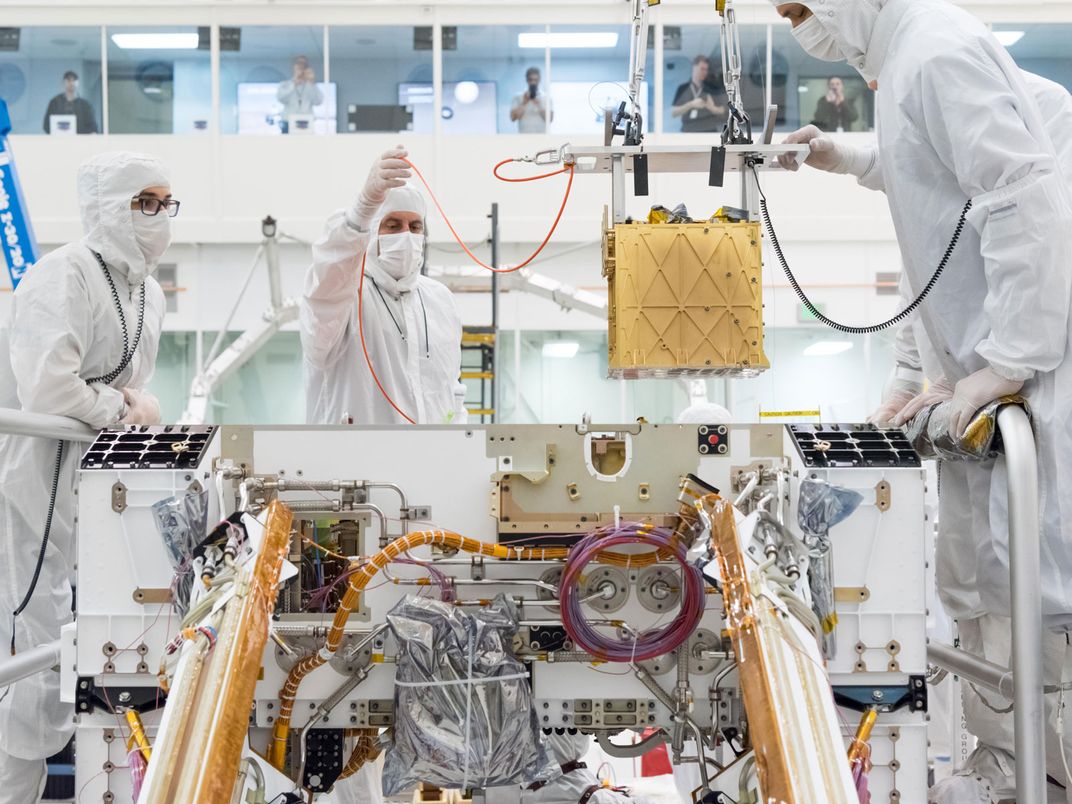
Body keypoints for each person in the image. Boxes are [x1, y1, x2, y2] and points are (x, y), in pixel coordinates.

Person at [771, 1, 1072, 801]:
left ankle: (1035, 773)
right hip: (992, 395)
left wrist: (1005, 364)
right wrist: (850, 157)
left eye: (802, 10)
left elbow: (1016, 194)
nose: (804, 29)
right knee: (992, 603)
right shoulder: (908, 61)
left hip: (1031, 396)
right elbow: (936, 229)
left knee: (1032, 610)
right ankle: (1011, 765)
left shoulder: (936, 53)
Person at [0, 151, 171, 802]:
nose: (158, 217)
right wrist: (125, 412)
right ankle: (16, 788)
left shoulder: (146, 291)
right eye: (144, 203)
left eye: (165, 203)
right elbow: (49, 388)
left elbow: (131, 385)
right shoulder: (62, 275)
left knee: (100, 629)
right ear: (108, 207)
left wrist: (133, 410)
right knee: (29, 630)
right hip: (39, 481)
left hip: (103, 477)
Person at [301, 146, 467, 426]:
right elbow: (327, 282)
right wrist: (363, 208)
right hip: (351, 465)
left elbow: (451, 392)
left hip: (431, 463)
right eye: (392, 225)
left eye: (415, 227)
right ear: (372, 229)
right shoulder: (346, 295)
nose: (406, 235)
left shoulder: (439, 299)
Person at [671, 55, 727, 133]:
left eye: (706, 70)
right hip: (688, 132)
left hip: (708, 132)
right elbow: (674, 113)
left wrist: (713, 108)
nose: (705, 72)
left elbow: (724, 112)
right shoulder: (683, 89)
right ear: (694, 68)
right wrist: (691, 104)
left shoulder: (712, 89)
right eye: (702, 69)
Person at [277, 55, 324, 134]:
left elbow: (319, 101)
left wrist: (312, 83)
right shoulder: (285, 84)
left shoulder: (311, 86)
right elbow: (280, 98)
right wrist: (294, 84)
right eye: (299, 63)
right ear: (294, 67)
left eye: (304, 65)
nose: (301, 66)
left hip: (306, 125)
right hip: (288, 124)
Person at [41, 70, 98, 134]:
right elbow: (46, 125)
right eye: (68, 80)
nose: (71, 83)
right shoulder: (55, 102)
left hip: (79, 142)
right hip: (59, 142)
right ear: (63, 82)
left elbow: (93, 127)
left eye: (74, 80)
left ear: (78, 83)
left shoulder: (85, 105)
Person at [510, 68, 552, 134]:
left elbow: (550, 119)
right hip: (524, 137)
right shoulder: (518, 97)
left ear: (539, 80)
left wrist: (539, 105)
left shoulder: (546, 98)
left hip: (542, 138)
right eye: (530, 80)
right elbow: (513, 118)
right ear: (527, 80)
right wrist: (524, 103)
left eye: (536, 80)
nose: (533, 82)